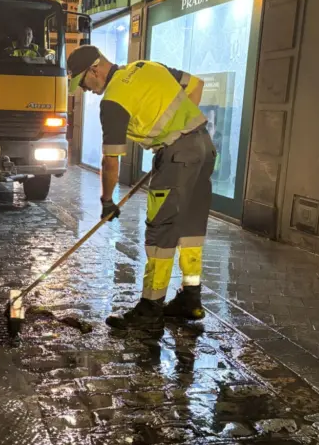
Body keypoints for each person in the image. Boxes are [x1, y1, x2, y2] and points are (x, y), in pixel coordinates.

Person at [67, 45, 216, 330]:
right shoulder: (147, 67)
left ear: (95, 70)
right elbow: (196, 85)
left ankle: (150, 307)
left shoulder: (112, 100)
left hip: (178, 158)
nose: (85, 90)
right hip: (204, 149)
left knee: (161, 231)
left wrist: (107, 201)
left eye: (83, 82)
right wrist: (182, 133)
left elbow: (111, 159)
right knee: (190, 228)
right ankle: (191, 299)